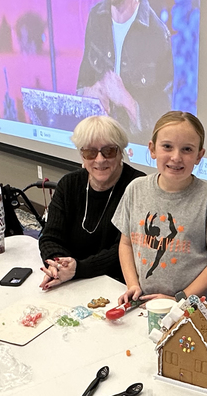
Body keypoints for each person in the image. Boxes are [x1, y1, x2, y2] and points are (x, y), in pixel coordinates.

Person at [113, 111, 207, 304]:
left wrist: (180, 298)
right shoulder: (135, 190)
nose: (176, 157)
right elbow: (126, 243)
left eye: (187, 149)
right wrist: (132, 285)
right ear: (152, 149)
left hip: (190, 308)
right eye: (167, 147)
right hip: (143, 301)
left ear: (199, 155)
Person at [77, 0, 172, 145]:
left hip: (135, 163)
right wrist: (91, 93)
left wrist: (126, 100)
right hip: (98, 155)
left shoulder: (158, 36)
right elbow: (81, 86)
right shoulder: (96, 18)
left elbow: (167, 125)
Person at [38, 115, 144, 289]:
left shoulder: (138, 187)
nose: (100, 159)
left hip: (117, 283)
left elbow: (128, 250)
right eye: (90, 152)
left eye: (109, 151)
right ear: (81, 155)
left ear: (121, 153)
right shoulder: (68, 184)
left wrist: (78, 269)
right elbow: (50, 237)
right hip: (71, 279)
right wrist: (59, 266)